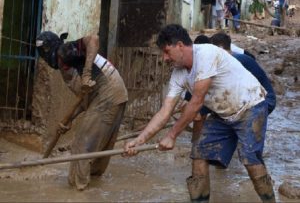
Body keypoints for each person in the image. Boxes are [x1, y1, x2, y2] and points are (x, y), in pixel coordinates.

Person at [124, 24, 275, 203]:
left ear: (180, 45)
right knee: (199, 153)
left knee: (251, 160)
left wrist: (172, 135)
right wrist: (138, 141)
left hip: (251, 105)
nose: (164, 58)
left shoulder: (206, 54)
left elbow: (196, 103)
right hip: (223, 114)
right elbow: (165, 111)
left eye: (166, 52)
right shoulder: (178, 74)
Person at [36, 31, 128, 191]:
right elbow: (85, 99)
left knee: (81, 144)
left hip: (107, 91)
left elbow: (93, 38)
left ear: (48, 50)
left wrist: (86, 74)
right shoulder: (70, 61)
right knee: (101, 145)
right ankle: (94, 184)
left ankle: (77, 191)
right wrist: (69, 120)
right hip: (116, 92)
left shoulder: (64, 51)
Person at [210, 32, 276, 115]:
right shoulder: (235, 58)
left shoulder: (236, 60)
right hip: (256, 98)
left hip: (264, 100)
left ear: (220, 48)